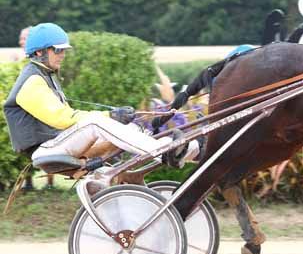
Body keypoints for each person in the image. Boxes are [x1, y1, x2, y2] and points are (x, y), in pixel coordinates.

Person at [2, 23, 200, 189]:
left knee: (130, 127)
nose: (62, 54)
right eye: (58, 50)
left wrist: (116, 119)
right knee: (96, 123)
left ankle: (188, 151)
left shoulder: (45, 76)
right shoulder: (31, 82)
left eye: (64, 50)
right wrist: (109, 115)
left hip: (58, 143)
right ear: (39, 51)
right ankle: (163, 152)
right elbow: (63, 119)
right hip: (46, 150)